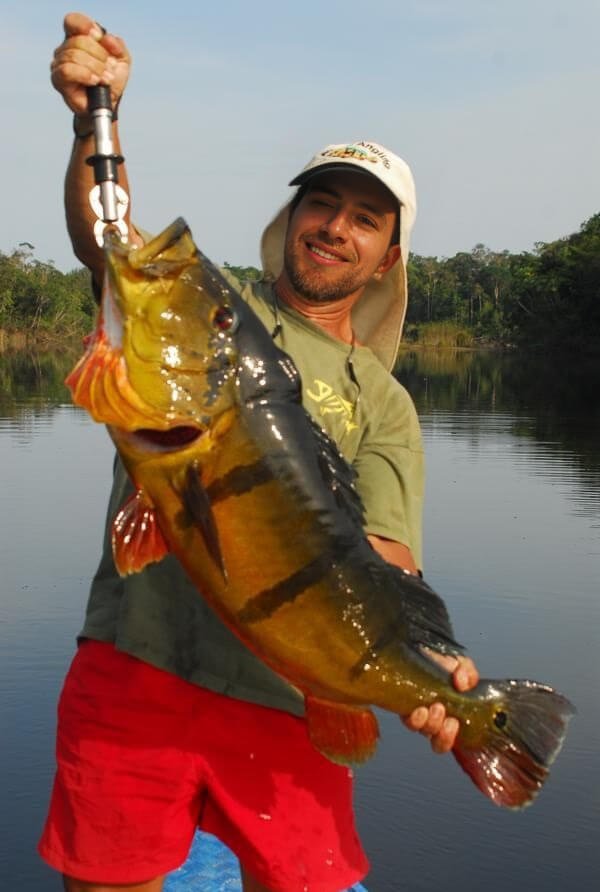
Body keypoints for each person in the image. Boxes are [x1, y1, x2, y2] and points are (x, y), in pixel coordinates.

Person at [41, 13, 479, 892]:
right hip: (137, 661)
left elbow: (385, 554)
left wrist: (429, 663)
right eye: (322, 203)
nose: (334, 228)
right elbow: (107, 239)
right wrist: (97, 117)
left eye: (364, 218)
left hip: (288, 703)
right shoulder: (219, 314)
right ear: (294, 215)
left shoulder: (385, 404)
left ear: (389, 255)